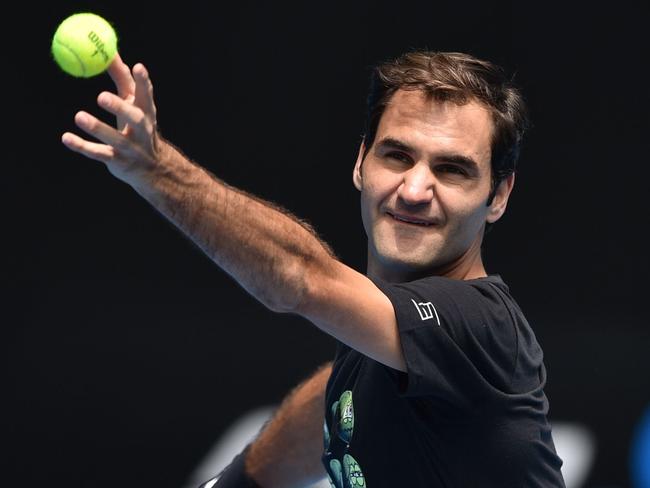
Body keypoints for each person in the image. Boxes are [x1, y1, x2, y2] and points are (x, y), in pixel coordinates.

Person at [61, 50, 566, 487]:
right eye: (396, 156)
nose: (414, 190)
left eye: (451, 169)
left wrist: (157, 170)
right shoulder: (378, 350)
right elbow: (329, 400)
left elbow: (305, 278)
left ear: (498, 195)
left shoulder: (481, 324)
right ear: (361, 162)